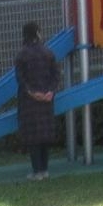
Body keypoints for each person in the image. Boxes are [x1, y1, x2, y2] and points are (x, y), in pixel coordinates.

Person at [14, 21, 60, 181]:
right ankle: (45, 170)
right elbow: (56, 75)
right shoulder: (48, 53)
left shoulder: (21, 55)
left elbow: (21, 79)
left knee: (33, 137)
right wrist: (50, 91)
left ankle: (36, 171)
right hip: (47, 99)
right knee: (45, 136)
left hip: (29, 102)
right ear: (38, 33)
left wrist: (33, 93)